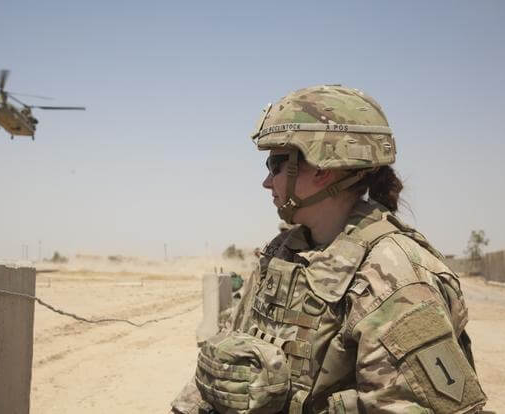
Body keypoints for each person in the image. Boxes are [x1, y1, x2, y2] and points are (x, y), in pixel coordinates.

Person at [170, 85, 487, 414]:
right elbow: (227, 360)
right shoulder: (282, 252)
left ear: (321, 168)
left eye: (275, 164)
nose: (267, 182)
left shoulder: (394, 276)